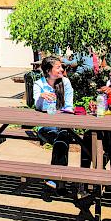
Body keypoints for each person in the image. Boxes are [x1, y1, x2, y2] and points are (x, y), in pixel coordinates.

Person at [33, 56, 74, 192]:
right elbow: (37, 107)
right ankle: (60, 181)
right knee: (62, 139)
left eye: (61, 66)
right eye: (58, 67)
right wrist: (41, 97)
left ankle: (54, 178)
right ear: (48, 71)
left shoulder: (66, 83)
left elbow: (69, 106)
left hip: (64, 124)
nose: (62, 69)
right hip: (45, 126)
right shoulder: (39, 84)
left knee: (61, 138)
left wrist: (60, 117)